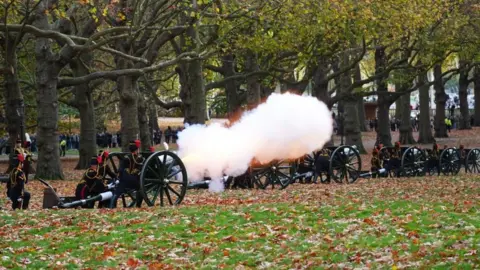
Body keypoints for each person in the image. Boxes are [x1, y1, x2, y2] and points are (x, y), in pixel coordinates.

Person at [110, 140, 145, 208]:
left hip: (124, 179)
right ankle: (138, 205)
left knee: (118, 192)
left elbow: (121, 169)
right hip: (134, 180)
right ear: (137, 149)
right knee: (141, 189)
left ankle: (111, 206)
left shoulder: (126, 157)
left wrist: (119, 177)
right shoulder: (139, 158)